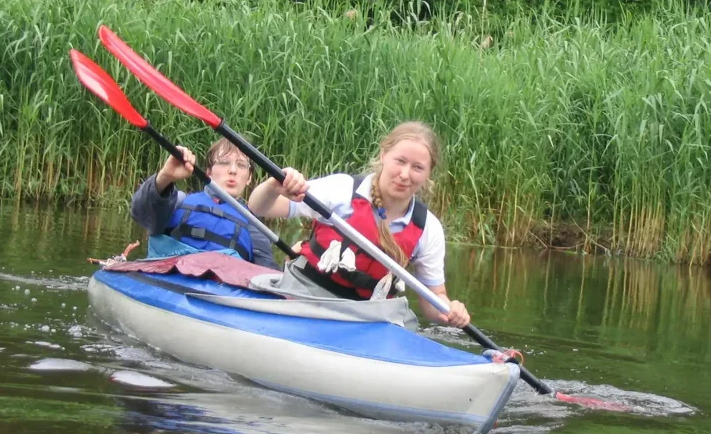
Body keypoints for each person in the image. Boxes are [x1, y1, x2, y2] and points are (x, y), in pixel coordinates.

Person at [248, 121, 471, 328]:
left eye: (417, 167)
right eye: (400, 161)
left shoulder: (428, 229)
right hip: (306, 295)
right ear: (384, 154)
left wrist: (450, 310)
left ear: (429, 172)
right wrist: (273, 187)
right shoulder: (342, 191)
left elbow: (433, 302)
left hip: (368, 316)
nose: (405, 174)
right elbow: (259, 207)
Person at [131, 138, 279, 270]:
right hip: (168, 282)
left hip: (219, 291)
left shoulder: (254, 226)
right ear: (209, 172)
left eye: (241, 165)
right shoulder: (178, 202)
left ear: (249, 178)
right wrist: (165, 176)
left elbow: (267, 276)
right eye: (224, 162)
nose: (233, 170)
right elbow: (139, 213)